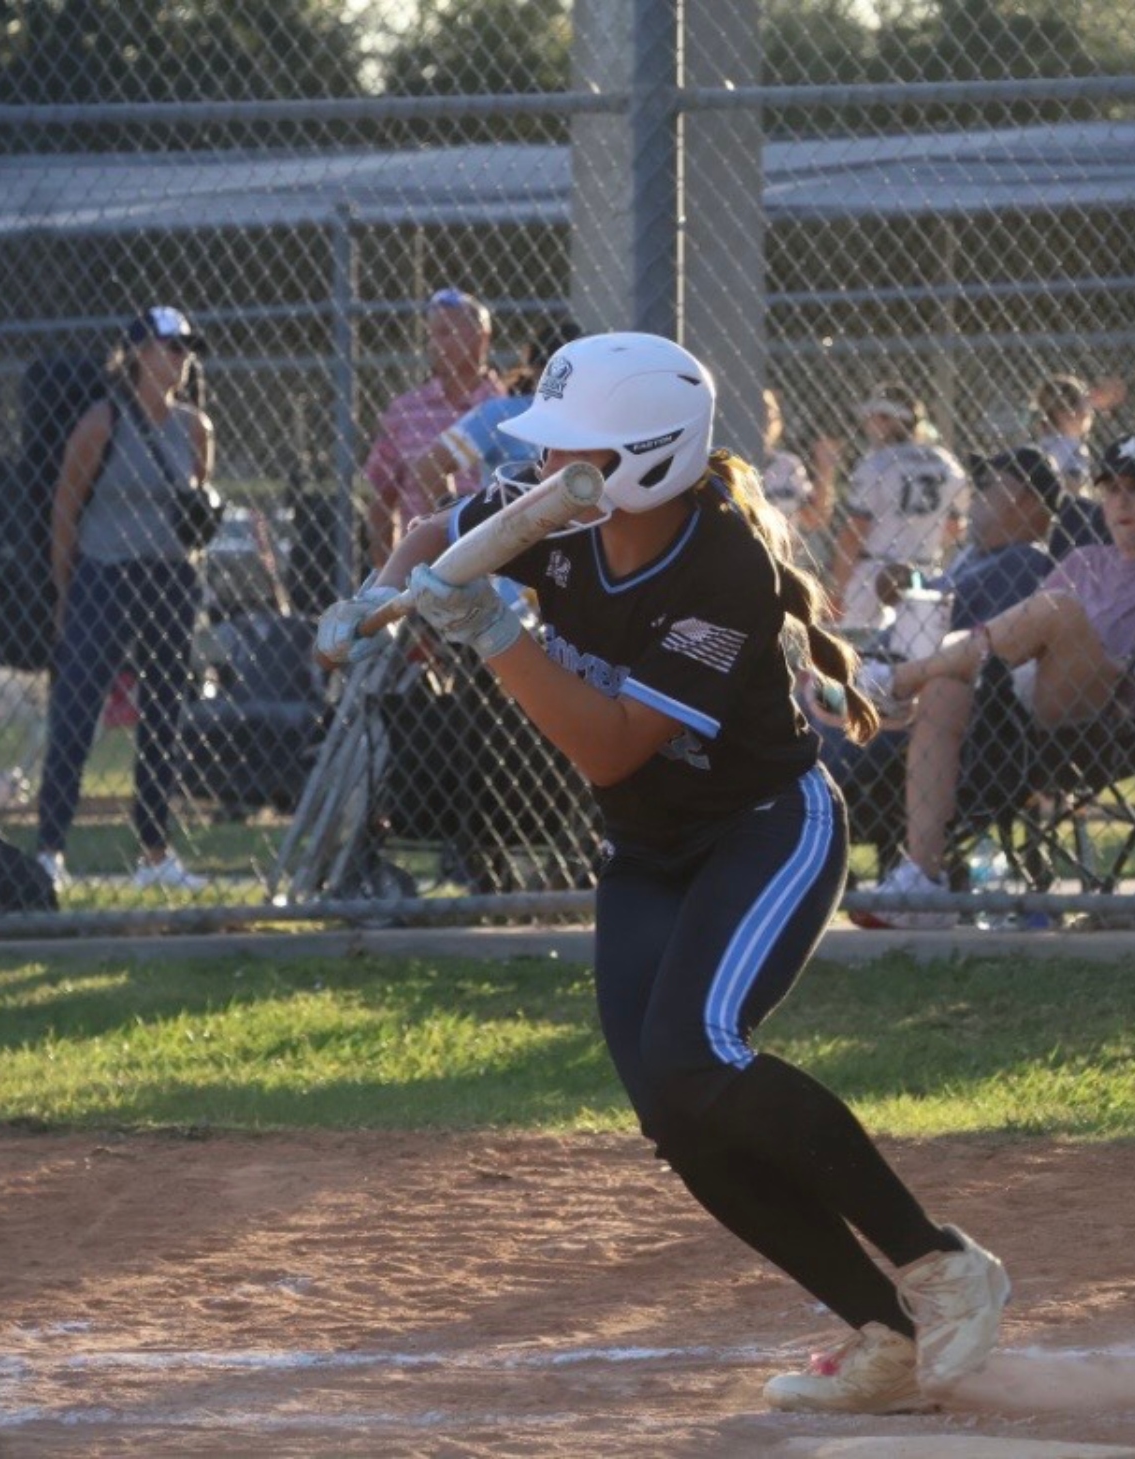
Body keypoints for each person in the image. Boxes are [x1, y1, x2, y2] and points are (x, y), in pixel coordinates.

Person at [316, 331, 1011, 1415]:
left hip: (762, 830)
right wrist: (375, 598)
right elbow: (425, 537)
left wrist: (496, 631)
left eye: (569, 451)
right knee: (675, 1112)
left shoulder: (717, 565)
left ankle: (940, 1263)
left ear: (642, 455)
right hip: (647, 852)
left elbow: (609, 746)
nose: (541, 473)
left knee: (698, 1055)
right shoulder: (557, 510)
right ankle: (881, 1333)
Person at [862, 431, 1135, 925]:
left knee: (1057, 610)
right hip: (1035, 694)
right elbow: (1016, 631)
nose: (1121, 502)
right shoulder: (1084, 560)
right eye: (1111, 489)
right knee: (946, 685)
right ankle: (923, 878)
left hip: (1122, 703)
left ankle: (894, 682)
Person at [35, 306, 215, 894]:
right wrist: (66, 589)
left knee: (164, 714)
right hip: (105, 575)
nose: (181, 358)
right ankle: (49, 850)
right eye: (170, 346)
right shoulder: (103, 420)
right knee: (77, 711)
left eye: (187, 347)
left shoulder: (195, 428)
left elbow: (196, 513)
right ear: (138, 352)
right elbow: (66, 505)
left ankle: (155, 854)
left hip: (171, 578)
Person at [850, 446, 1066, 930]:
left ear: (1028, 501)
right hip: (878, 682)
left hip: (907, 700)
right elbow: (940, 596)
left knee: (812, 726)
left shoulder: (1025, 562)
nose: (978, 493)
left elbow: (964, 632)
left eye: (992, 483)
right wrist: (910, 583)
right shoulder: (974, 555)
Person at [363, 287, 502, 568]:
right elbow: (381, 498)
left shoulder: (507, 408)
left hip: (497, 573)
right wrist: (388, 580)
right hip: (422, 581)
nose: (435, 345)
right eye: (432, 335)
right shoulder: (405, 412)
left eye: (447, 333)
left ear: (482, 337)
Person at [828, 383, 968, 634]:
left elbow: (854, 533)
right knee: (913, 643)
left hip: (873, 573)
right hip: (923, 570)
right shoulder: (947, 464)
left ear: (889, 420)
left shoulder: (876, 463)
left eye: (875, 418)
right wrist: (920, 535)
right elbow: (955, 528)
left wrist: (837, 589)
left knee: (855, 644)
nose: (869, 425)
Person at [405, 316, 582, 503]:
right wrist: (459, 520)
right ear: (537, 371)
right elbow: (429, 467)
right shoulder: (504, 413)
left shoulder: (596, 416)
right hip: (515, 527)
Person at [759, 387, 838, 568]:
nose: (765, 417)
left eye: (770, 411)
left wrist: (825, 469)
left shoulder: (787, 464)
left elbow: (814, 519)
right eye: (760, 409)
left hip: (781, 559)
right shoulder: (727, 459)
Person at [1029, 373, 1126, 494]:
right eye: (1084, 404)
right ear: (1066, 413)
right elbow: (1073, 487)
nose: (1090, 412)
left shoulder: (1048, 442)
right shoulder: (1068, 446)